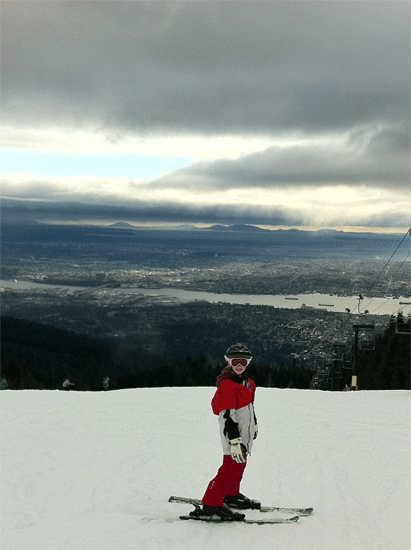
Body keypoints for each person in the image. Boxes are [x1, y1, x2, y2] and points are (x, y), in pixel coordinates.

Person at [191, 343, 259, 521]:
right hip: (233, 435)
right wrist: (234, 441)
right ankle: (211, 503)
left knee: (240, 465)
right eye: (235, 362)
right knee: (229, 468)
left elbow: (250, 408)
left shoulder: (249, 384)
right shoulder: (227, 386)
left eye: (243, 362)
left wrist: (255, 425)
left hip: (245, 433)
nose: (239, 366)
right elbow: (228, 416)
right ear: (228, 362)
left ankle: (231, 494)